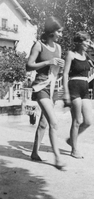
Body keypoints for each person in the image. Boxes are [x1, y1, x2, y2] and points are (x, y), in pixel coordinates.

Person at [26, 16, 65, 170]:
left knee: (43, 123)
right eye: (59, 32)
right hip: (40, 87)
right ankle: (57, 158)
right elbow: (28, 66)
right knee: (54, 123)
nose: (61, 35)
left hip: (53, 87)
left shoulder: (59, 48)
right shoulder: (38, 45)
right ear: (51, 32)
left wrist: (59, 65)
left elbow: (55, 70)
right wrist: (48, 62)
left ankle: (35, 153)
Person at [62, 31, 94, 159]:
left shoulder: (87, 57)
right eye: (86, 41)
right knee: (77, 121)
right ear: (79, 42)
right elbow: (65, 74)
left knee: (88, 121)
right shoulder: (71, 54)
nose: (88, 44)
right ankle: (74, 149)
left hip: (84, 89)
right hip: (73, 87)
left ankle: (71, 140)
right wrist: (66, 93)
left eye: (89, 42)